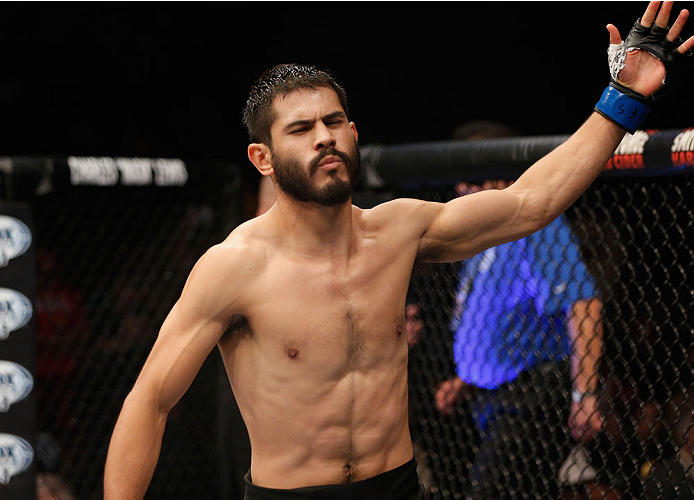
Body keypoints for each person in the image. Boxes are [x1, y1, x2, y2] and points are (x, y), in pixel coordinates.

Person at [104, 4, 694, 498]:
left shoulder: (398, 232)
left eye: (333, 122)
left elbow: (531, 203)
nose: (324, 137)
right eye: (301, 129)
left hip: (397, 485)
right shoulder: (234, 267)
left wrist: (623, 98)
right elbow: (150, 401)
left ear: (353, 134)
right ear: (263, 158)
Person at [434, 175, 603, 498]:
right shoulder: (482, 238)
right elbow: (499, 320)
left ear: (499, 181)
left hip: (531, 397)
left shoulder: (534, 223)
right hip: (489, 400)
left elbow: (582, 300)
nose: (460, 191)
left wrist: (585, 393)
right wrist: (465, 379)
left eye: (471, 182)